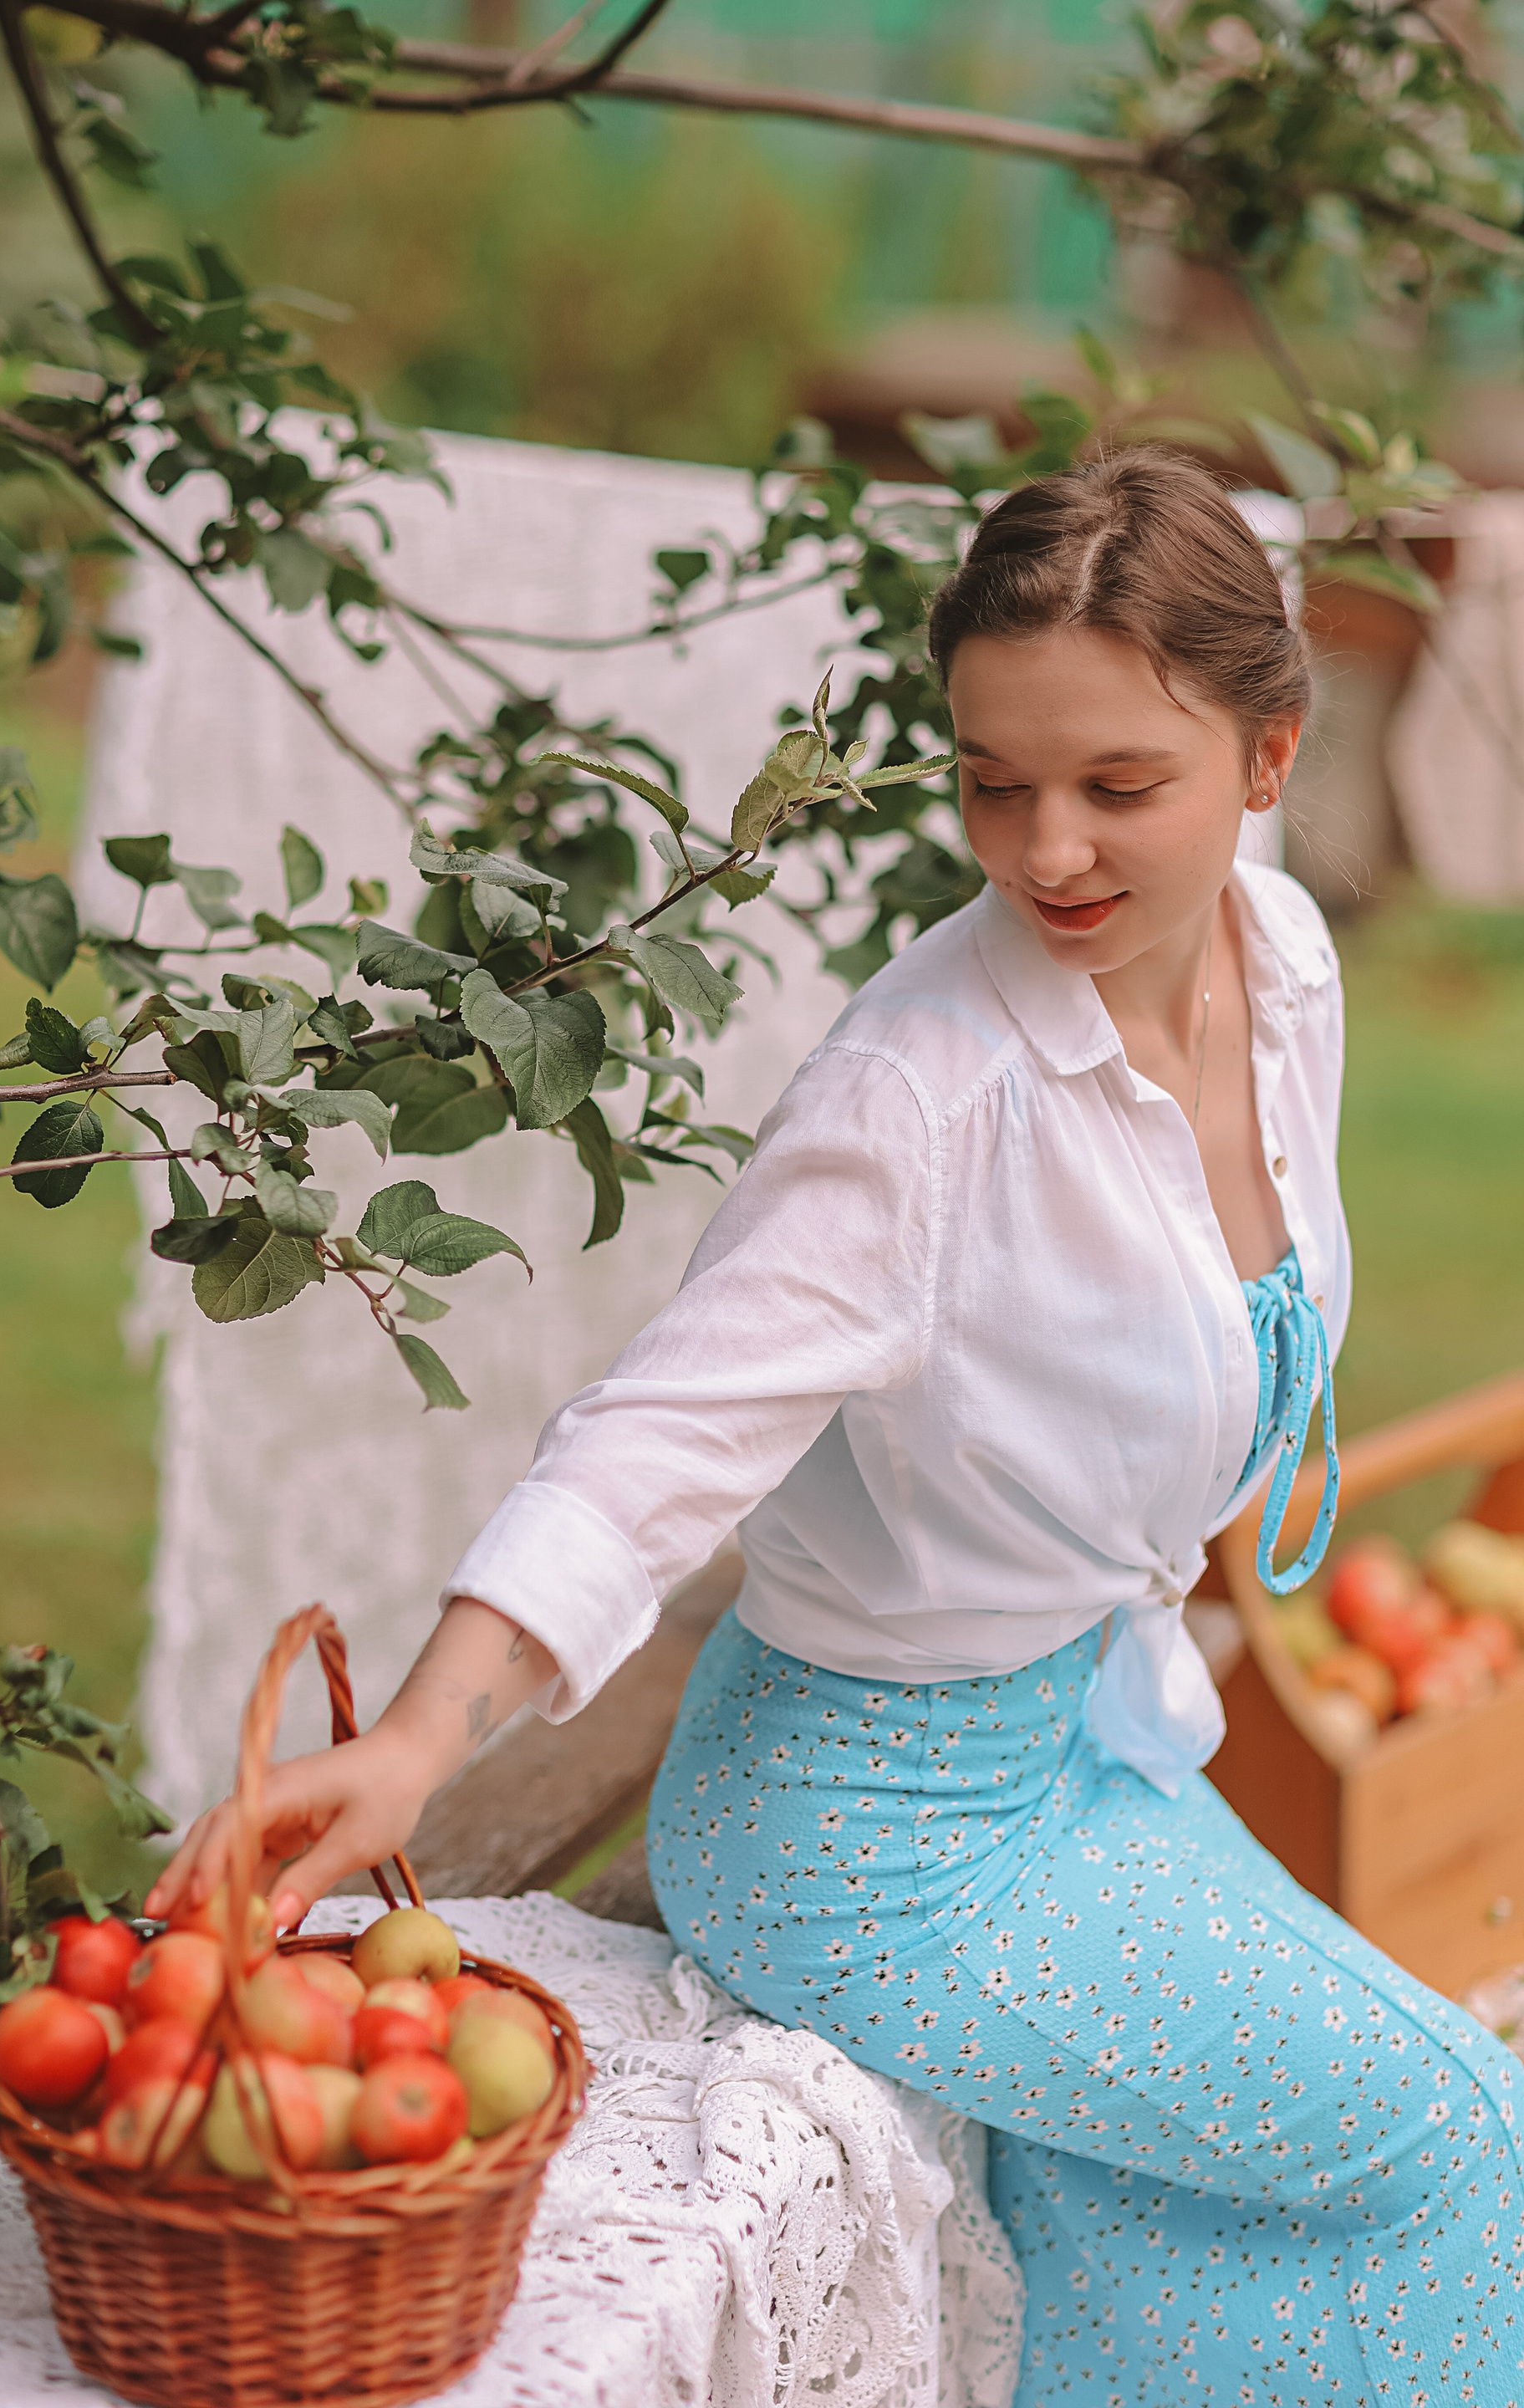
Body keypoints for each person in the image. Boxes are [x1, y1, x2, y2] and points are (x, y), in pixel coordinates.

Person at [150, 451, 1522, 2404]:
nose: (1048, 849)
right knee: (1460, 2139)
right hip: (863, 1840)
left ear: (1270, 758)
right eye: (993, 781)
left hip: (1085, 1749)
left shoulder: (1284, 965)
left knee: (1185, 2197)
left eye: (1118, 784)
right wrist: (424, 1733)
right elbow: (649, 1443)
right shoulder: (921, 1102)